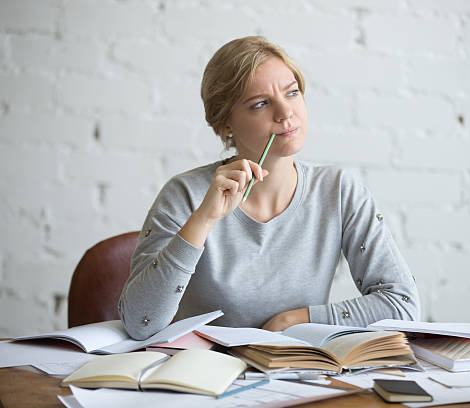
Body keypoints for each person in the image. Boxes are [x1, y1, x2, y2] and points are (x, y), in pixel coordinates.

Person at [118, 36, 420, 340]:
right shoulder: (184, 194)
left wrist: (295, 320)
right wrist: (203, 220)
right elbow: (139, 323)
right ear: (225, 124)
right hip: (204, 378)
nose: (285, 113)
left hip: (298, 374)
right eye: (260, 104)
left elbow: (403, 304)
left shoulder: (340, 191)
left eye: (292, 93)